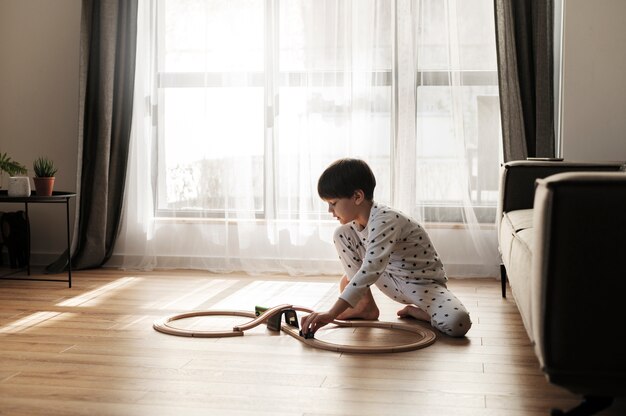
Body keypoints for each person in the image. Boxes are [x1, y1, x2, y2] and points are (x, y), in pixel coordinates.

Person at [300, 158, 472, 338]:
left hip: (421, 284)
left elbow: (370, 270)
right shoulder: (353, 227)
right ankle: (364, 305)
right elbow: (370, 269)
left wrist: (331, 314)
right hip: (388, 278)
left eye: (333, 203)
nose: (329, 210)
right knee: (341, 233)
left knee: (458, 322)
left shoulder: (385, 219)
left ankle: (423, 313)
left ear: (357, 197)